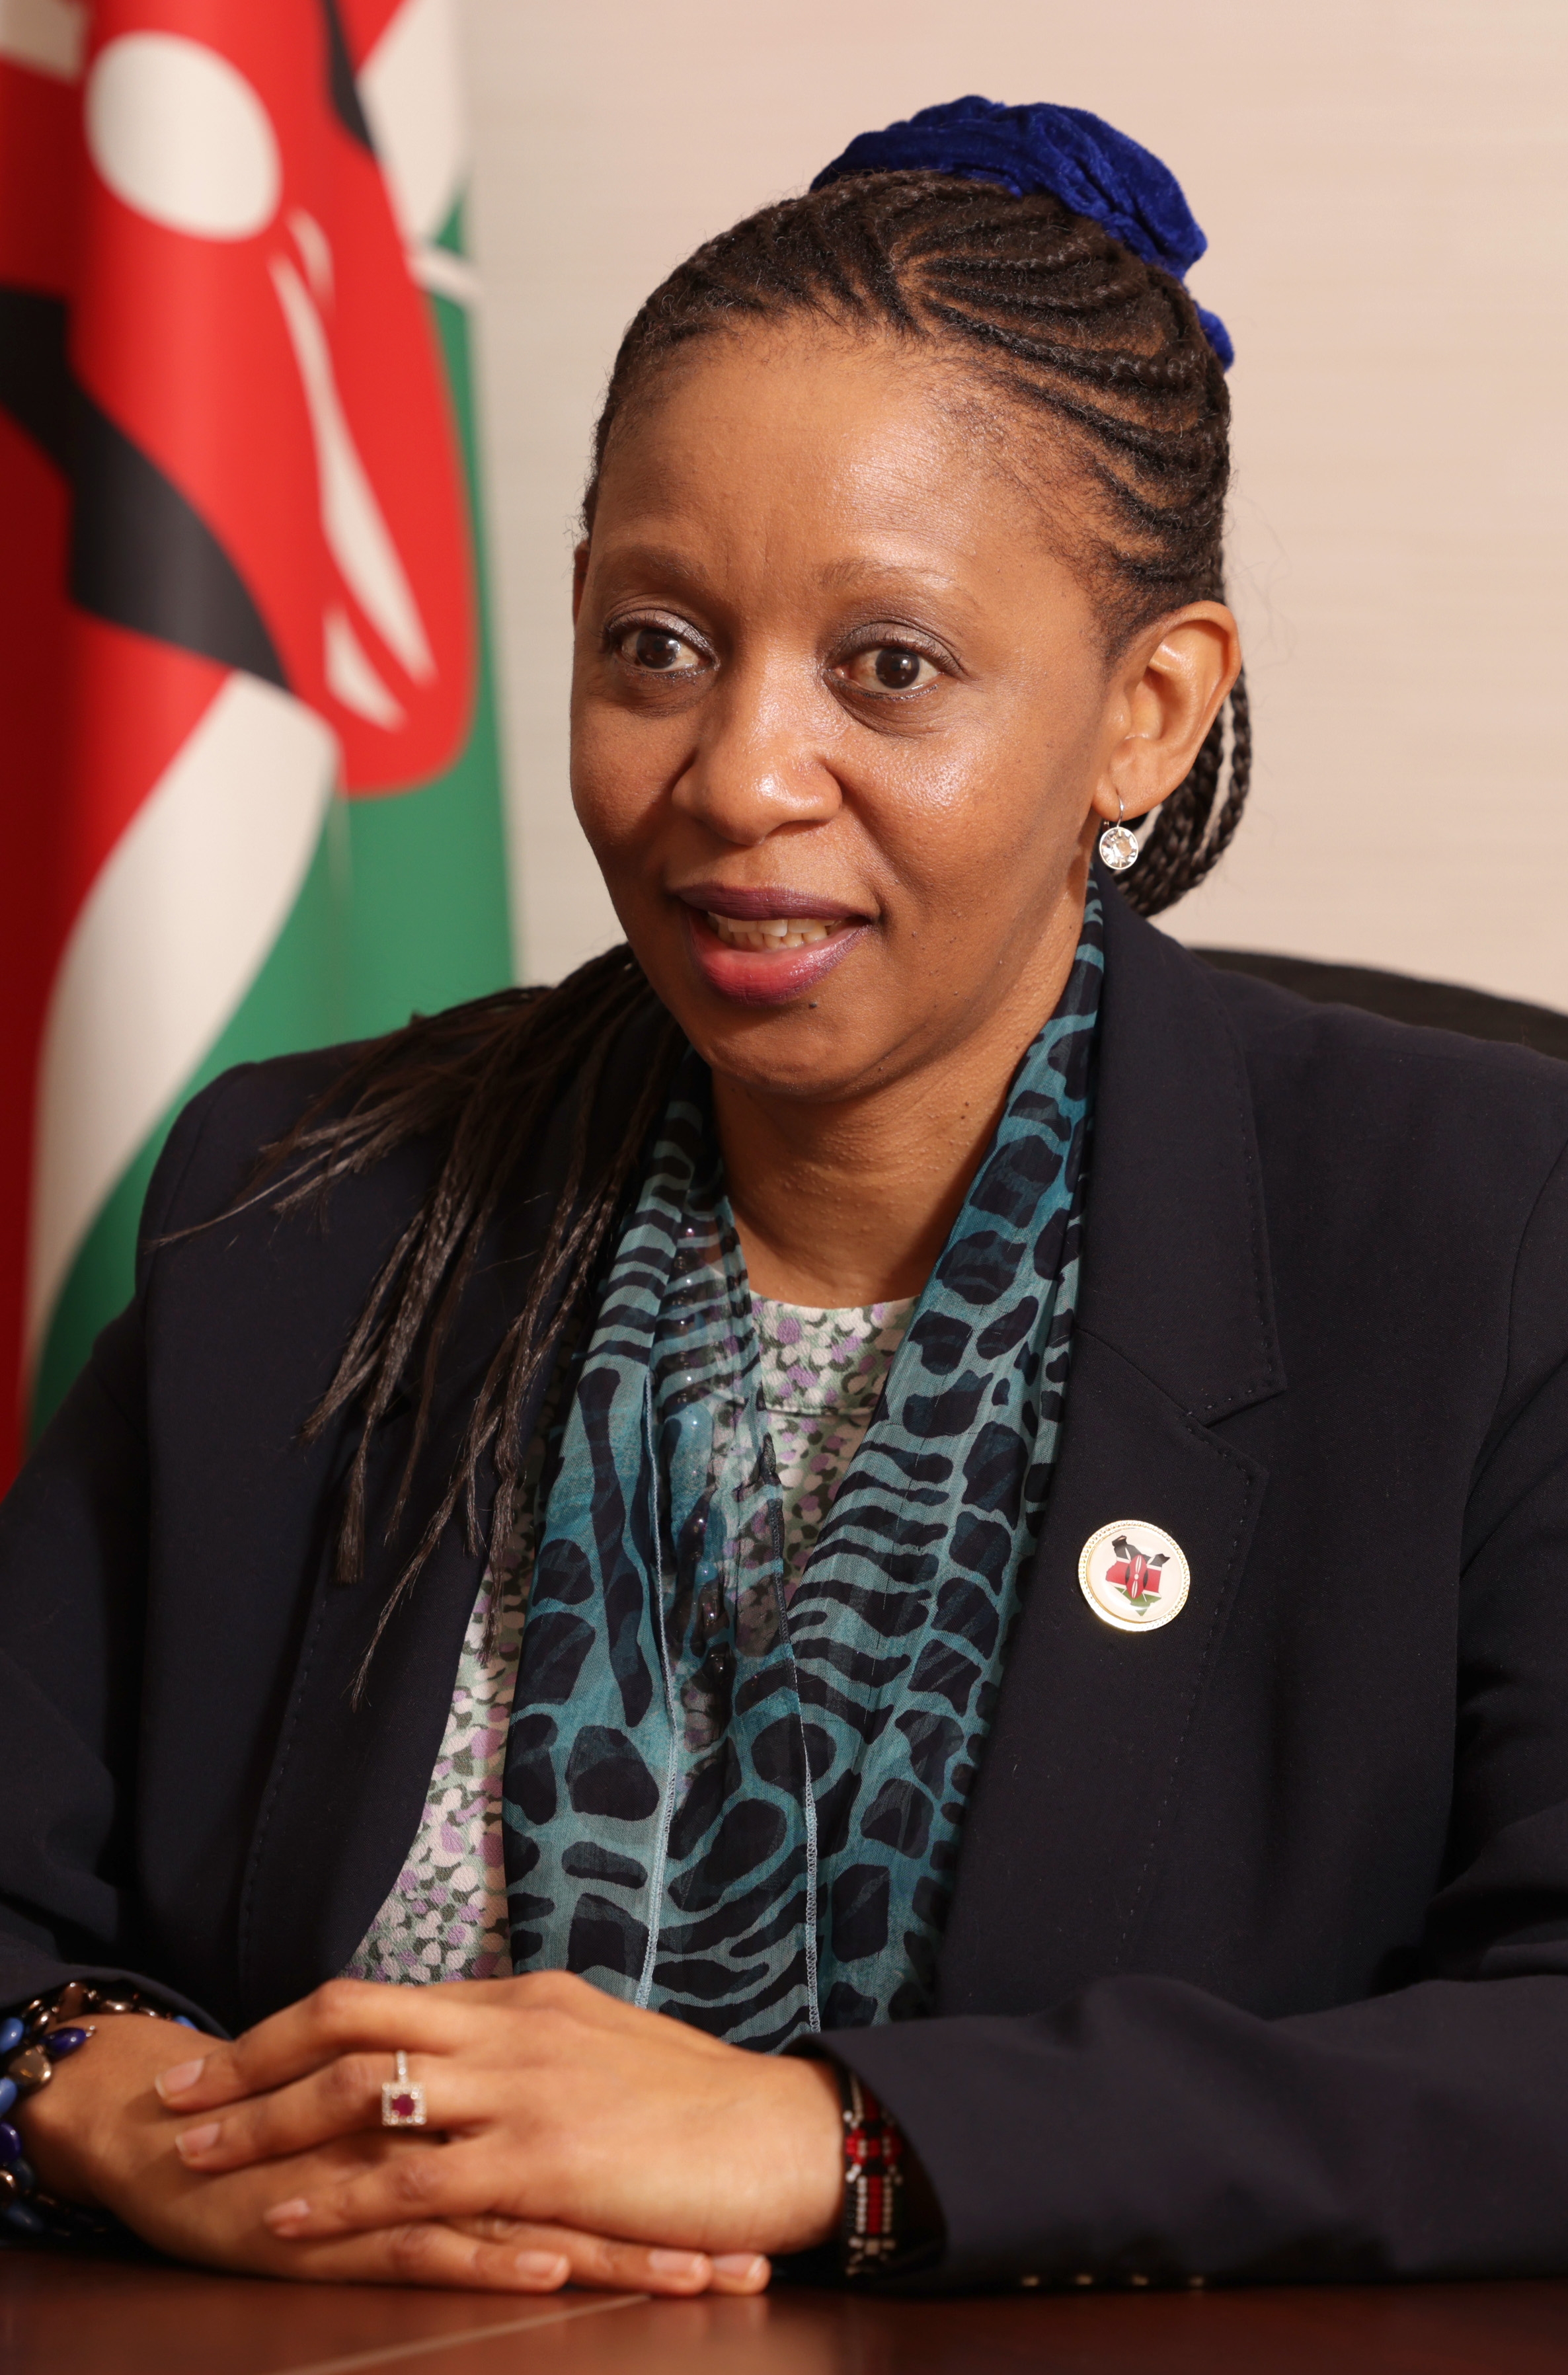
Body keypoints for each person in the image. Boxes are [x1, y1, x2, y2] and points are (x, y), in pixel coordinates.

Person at [4, 93, 1568, 2298]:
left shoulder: (1478, 1225)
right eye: (656, 641)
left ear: (1145, 709)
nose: (736, 773)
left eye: (886, 668)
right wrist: (85, 2094)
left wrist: (833, 2135)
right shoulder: (307, 1195)